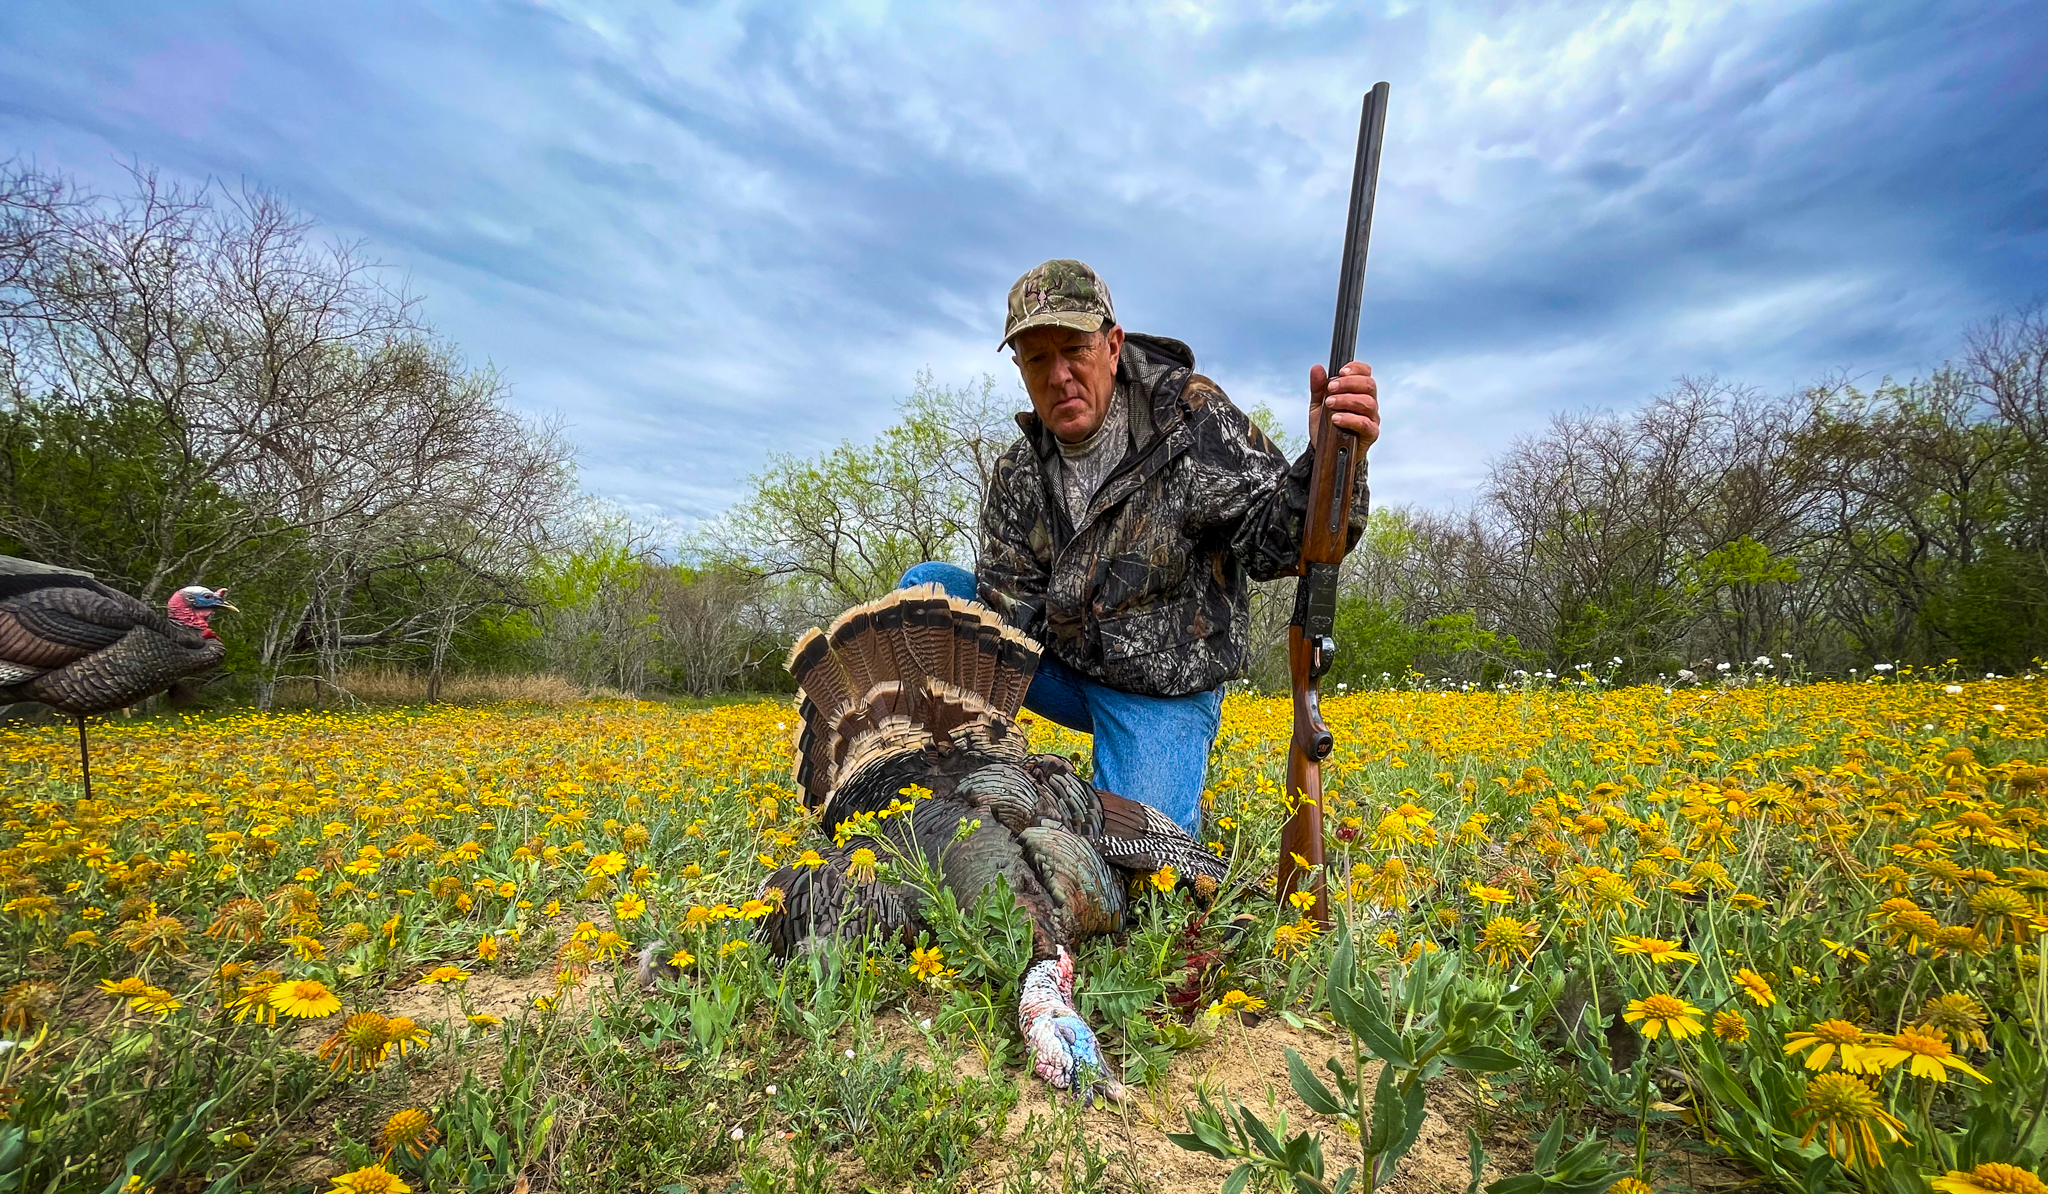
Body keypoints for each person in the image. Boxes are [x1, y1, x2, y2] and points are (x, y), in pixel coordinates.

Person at [901, 259, 1379, 836]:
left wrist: (1332, 460)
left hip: (1162, 688)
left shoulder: (1189, 418)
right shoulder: (1018, 472)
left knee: (1144, 862)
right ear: (1020, 368)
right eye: (1037, 359)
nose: (1059, 376)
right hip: (1066, 668)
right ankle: (932, 788)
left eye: (1074, 350)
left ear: (1112, 344)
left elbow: (1277, 545)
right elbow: (1008, 606)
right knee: (929, 592)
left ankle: (1147, 774)